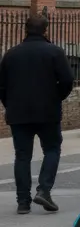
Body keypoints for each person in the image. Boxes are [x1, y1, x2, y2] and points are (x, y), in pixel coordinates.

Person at [0, 15, 74, 214]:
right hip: (48, 112)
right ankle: (44, 189)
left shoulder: (11, 54)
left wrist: (10, 104)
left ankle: (23, 201)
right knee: (52, 149)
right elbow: (67, 80)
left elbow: (2, 86)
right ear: (45, 30)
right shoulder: (55, 53)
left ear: (25, 30)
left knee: (22, 156)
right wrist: (56, 97)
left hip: (18, 112)